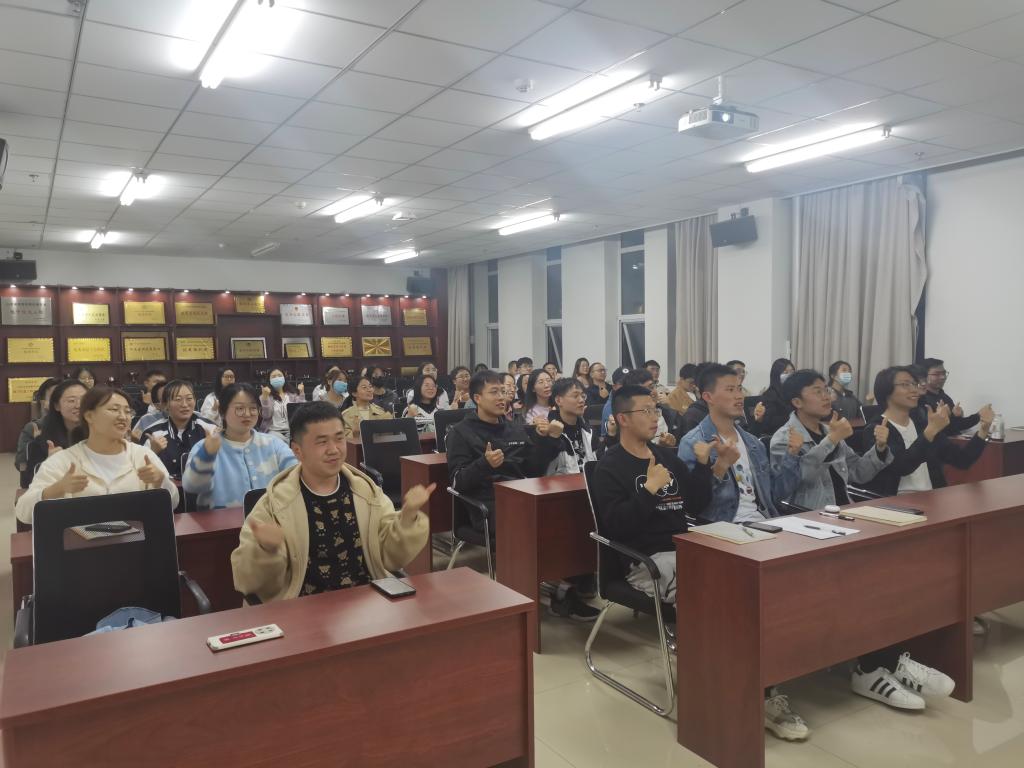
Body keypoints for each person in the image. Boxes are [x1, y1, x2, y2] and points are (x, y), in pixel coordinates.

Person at [230, 402, 432, 603]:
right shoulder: (274, 504)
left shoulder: (365, 491)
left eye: (339, 438)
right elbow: (248, 581)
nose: (334, 449)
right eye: (322, 442)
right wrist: (267, 550)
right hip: (303, 608)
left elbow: (390, 557)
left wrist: (408, 517)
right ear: (297, 450)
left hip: (366, 603)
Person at [591, 384, 713, 603]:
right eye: (646, 411)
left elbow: (696, 505)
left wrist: (703, 466)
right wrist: (650, 489)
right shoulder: (610, 467)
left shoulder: (666, 457)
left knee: (732, 574)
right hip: (644, 559)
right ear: (623, 419)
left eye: (655, 410)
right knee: (707, 591)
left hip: (681, 548)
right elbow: (618, 526)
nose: (655, 417)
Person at [17, 386, 179, 525]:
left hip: (135, 544)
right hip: (80, 548)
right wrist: (57, 489)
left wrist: (161, 481)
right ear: (89, 416)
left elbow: (173, 502)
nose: (123, 417)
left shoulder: (142, 455)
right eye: (114, 410)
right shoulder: (63, 461)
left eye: (127, 411)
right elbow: (23, 512)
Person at [678, 364, 802, 525]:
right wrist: (720, 467)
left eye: (739, 389)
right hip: (724, 526)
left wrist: (792, 455)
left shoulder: (753, 443)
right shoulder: (694, 443)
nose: (739, 396)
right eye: (730, 390)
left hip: (764, 521)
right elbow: (694, 505)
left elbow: (774, 494)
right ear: (708, 397)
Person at [445, 370, 561, 535]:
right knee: (532, 522)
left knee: (560, 513)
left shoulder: (514, 429)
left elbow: (533, 470)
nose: (501, 398)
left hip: (520, 496)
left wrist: (548, 440)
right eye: (494, 392)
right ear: (477, 398)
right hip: (487, 506)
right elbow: (457, 482)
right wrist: (485, 464)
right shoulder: (460, 432)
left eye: (503, 392)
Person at [861, 367, 992, 498]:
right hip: (895, 503)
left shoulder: (922, 425)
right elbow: (901, 466)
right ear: (886, 391)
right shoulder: (876, 429)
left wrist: (983, 431)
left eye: (914, 384)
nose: (914, 390)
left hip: (932, 498)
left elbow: (962, 460)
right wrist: (930, 432)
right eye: (905, 385)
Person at [769, 370, 892, 509]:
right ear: (797, 402)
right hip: (811, 514)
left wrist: (879, 449)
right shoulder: (785, 438)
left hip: (844, 511)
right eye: (818, 392)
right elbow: (790, 484)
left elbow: (858, 472)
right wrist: (832, 440)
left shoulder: (830, 431)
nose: (827, 397)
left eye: (826, 390)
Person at [184, 383, 297, 510]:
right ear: (222, 412)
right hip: (221, 521)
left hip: (269, 519)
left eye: (253, 408)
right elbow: (191, 486)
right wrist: (206, 456)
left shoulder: (274, 444)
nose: (247, 414)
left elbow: (297, 475)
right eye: (240, 408)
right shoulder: (205, 447)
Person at [140, 380, 217, 479]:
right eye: (178, 399)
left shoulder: (209, 428)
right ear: (165, 404)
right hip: (167, 487)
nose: (184, 404)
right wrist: (153, 452)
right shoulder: (153, 434)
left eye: (189, 398)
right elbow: (141, 471)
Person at [25, 379, 87, 475]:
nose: (78, 405)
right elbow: (28, 480)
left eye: (84, 400)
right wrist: (49, 463)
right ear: (57, 406)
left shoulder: (101, 437)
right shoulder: (42, 443)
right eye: (71, 400)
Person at [918, 357, 984, 434]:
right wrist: (951, 417)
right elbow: (932, 431)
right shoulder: (920, 400)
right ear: (924, 376)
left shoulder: (945, 397)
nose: (943, 377)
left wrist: (979, 415)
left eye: (944, 373)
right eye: (936, 374)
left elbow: (958, 425)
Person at [15, 378, 60, 484]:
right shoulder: (33, 427)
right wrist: (37, 445)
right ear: (44, 403)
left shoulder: (79, 426)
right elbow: (21, 464)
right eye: (54, 397)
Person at [748, 358, 794, 437]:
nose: (790, 375)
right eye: (785, 372)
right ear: (776, 375)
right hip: (778, 436)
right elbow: (768, 424)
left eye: (792, 372)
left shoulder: (794, 393)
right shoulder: (770, 396)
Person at [260, 368, 305, 442]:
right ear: (269, 380)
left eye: (279, 375)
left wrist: (301, 393)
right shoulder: (265, 396)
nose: (277, 378)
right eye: (273, 376)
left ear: (284, 378)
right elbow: (266, 415)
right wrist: (265, 398)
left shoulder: (292, 394)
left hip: (291, 430)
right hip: (273, 431)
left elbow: (301, 411)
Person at [340, 375, 390, 439]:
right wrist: (355, 433)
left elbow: (387, 436)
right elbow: (343, 438)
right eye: (364, 387)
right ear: (354, 393)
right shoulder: (346, 415)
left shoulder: (380, 411)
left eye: (370, 386)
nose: (369, 390)